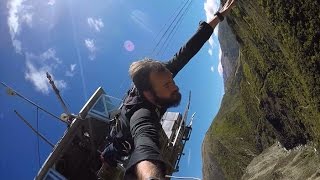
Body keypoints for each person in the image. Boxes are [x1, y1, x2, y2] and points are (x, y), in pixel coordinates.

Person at [101, 0, 236, 179]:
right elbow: (144, 144)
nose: (174, 85)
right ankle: (105, 164)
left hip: (121, 133)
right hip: (120, 142)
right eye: (166, 85)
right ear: (149, 94)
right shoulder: (141, 114)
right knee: (110, 156)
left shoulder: (159, 75)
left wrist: (218, 16)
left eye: (170, 79)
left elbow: (187, 50)